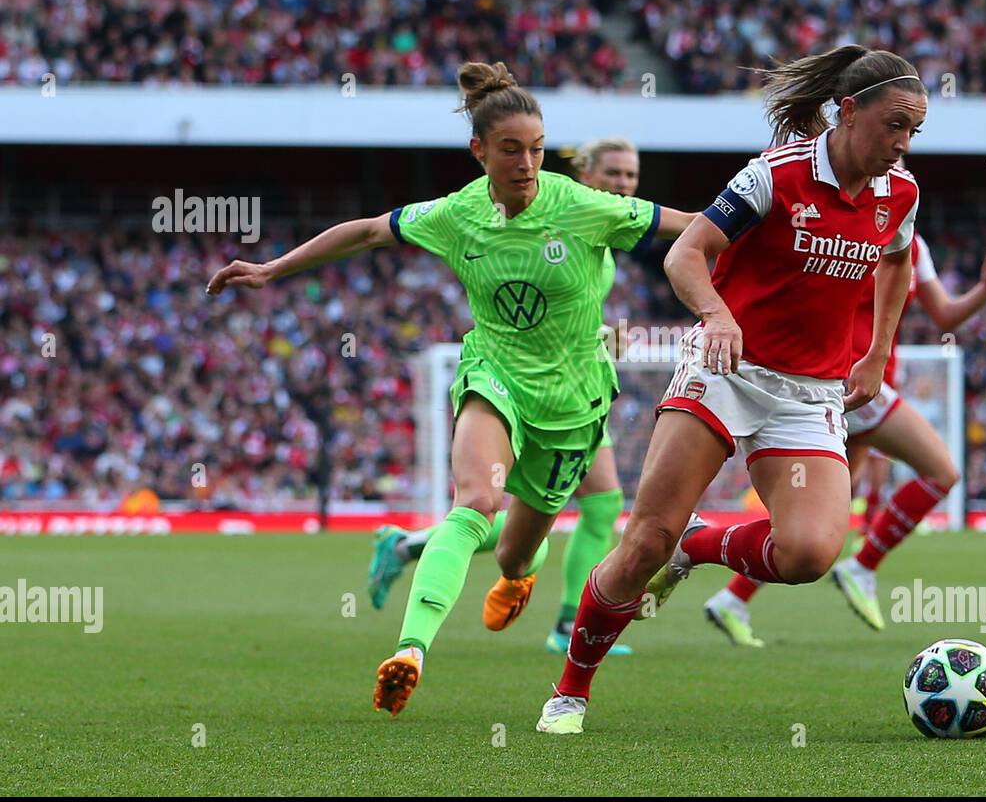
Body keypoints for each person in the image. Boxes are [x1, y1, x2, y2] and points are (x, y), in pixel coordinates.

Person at [206, 62, 696, 717]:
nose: (526, 163)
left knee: (517, 549)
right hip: (494, 376)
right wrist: (273, 268)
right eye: (511, 150)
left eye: (537, 149)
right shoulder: (458, 214)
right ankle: (411, 650)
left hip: (573, 405)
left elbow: (696, 225)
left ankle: (520, 572)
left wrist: (773, 229)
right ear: (479, 152)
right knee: (474, 501)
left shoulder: (583, 207)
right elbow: (369, 230)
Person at [536, 45, 926, 735]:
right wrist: (716, 314)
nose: (901, 145)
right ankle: (570, 690)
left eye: (913, 132)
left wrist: (877, 353)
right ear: (849, 110)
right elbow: (688, 252)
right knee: (644, 541)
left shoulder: (900, 193)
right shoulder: (774, 176)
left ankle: (700, 544)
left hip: (810, 394)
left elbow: (896, 264)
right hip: (727, 372)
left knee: (808, 554)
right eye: (894, 125)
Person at [368, 136, 645, 657]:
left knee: (597, 504)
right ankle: (565, 622)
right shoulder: (553, 217)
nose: (624, 184)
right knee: (516, 505)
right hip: (527, 385)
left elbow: (564, 312)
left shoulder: (602, 237)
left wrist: (605, 334)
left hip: (577, 387)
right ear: (587, 176)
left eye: (631, 176)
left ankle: (411, 545)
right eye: (614, 174)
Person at [703, 235, 986, 646]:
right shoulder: (845, 227)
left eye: (899, 164)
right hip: (842, 379)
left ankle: (732, 596)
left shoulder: (913, 243)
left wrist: (985, 290)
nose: (892, 169)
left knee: (822, 511)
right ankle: (863, 565)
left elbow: (944, 316)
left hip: (866, 383)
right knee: (941, 471)